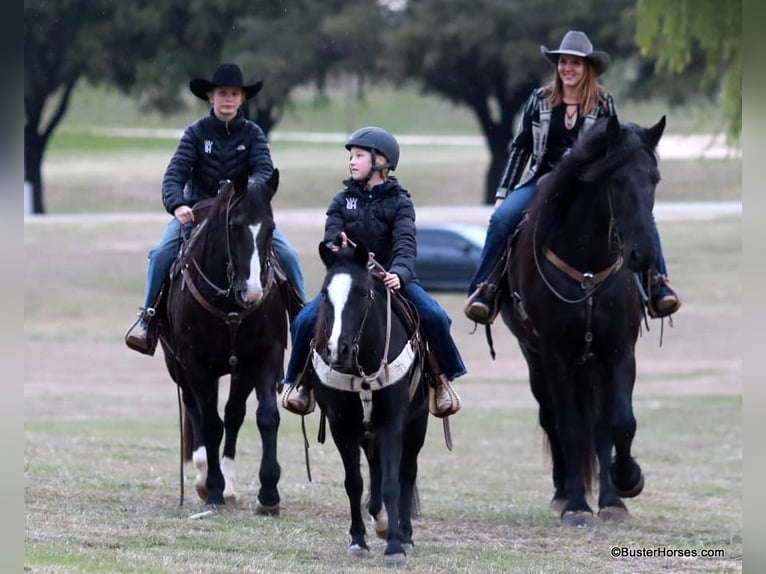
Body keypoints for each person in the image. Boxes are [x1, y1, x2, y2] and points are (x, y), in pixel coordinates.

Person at [463, 30, 681, 325]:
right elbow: (522, 147)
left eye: (575, 64)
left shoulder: (604, 103)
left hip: (586, 184)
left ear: (587, 68)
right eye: (563, 62)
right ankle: (484, 289)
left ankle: (657, 284)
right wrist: (503, 193)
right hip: (540, 179)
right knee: (503, 219)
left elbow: (612, 148)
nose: (568, 69)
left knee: (642, 215)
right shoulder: (539, 100)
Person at [282, 126, 465, 417]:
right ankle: (300, 382)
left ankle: (441, 379)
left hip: (392, 280)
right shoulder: (341, 201)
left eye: (358, 156)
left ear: (381, 161)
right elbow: (331, 235)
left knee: (435, 316)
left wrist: (400, 273)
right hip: (351, 281)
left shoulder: (401, 202)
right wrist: (335, 246)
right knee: (304, 320)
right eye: (350, 157)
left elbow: (406, 244)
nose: (351, 162)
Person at [125, 63, 306, 354]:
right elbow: (174, 175)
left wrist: (248, 193)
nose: (228, 99)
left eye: (234, 94)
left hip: (244, 214)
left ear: (242, 99)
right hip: (198, 212)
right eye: (222, 93)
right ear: (210, 97)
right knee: (160, 254)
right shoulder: (196, 134)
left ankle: (302, 321)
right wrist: (178, 204)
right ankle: (147, 320)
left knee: (288, 254)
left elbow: (264, 170)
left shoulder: (253, 134)